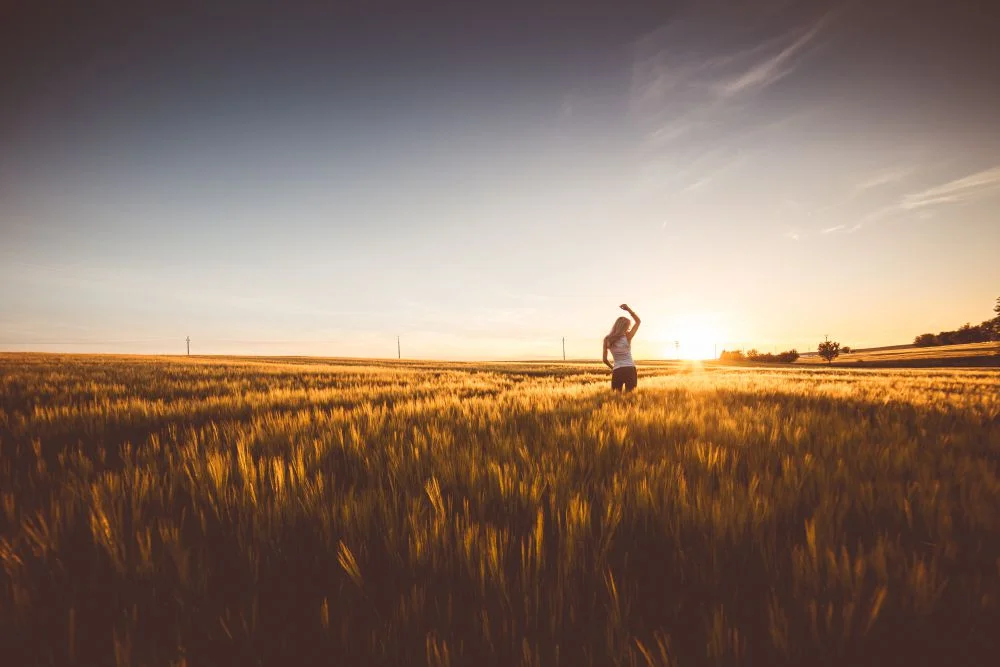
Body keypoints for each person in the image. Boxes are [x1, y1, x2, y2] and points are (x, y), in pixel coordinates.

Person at [603, 304, 640, 391]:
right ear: (625, 327)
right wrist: (628, 309)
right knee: (630, 399)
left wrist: (614, 368)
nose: (629, 328)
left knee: (616, 399)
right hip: (630, 369)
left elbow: (604, 360)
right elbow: (638, 322)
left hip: (617, 371)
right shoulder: (628, 337)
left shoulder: (607, 339)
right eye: (628, 326)